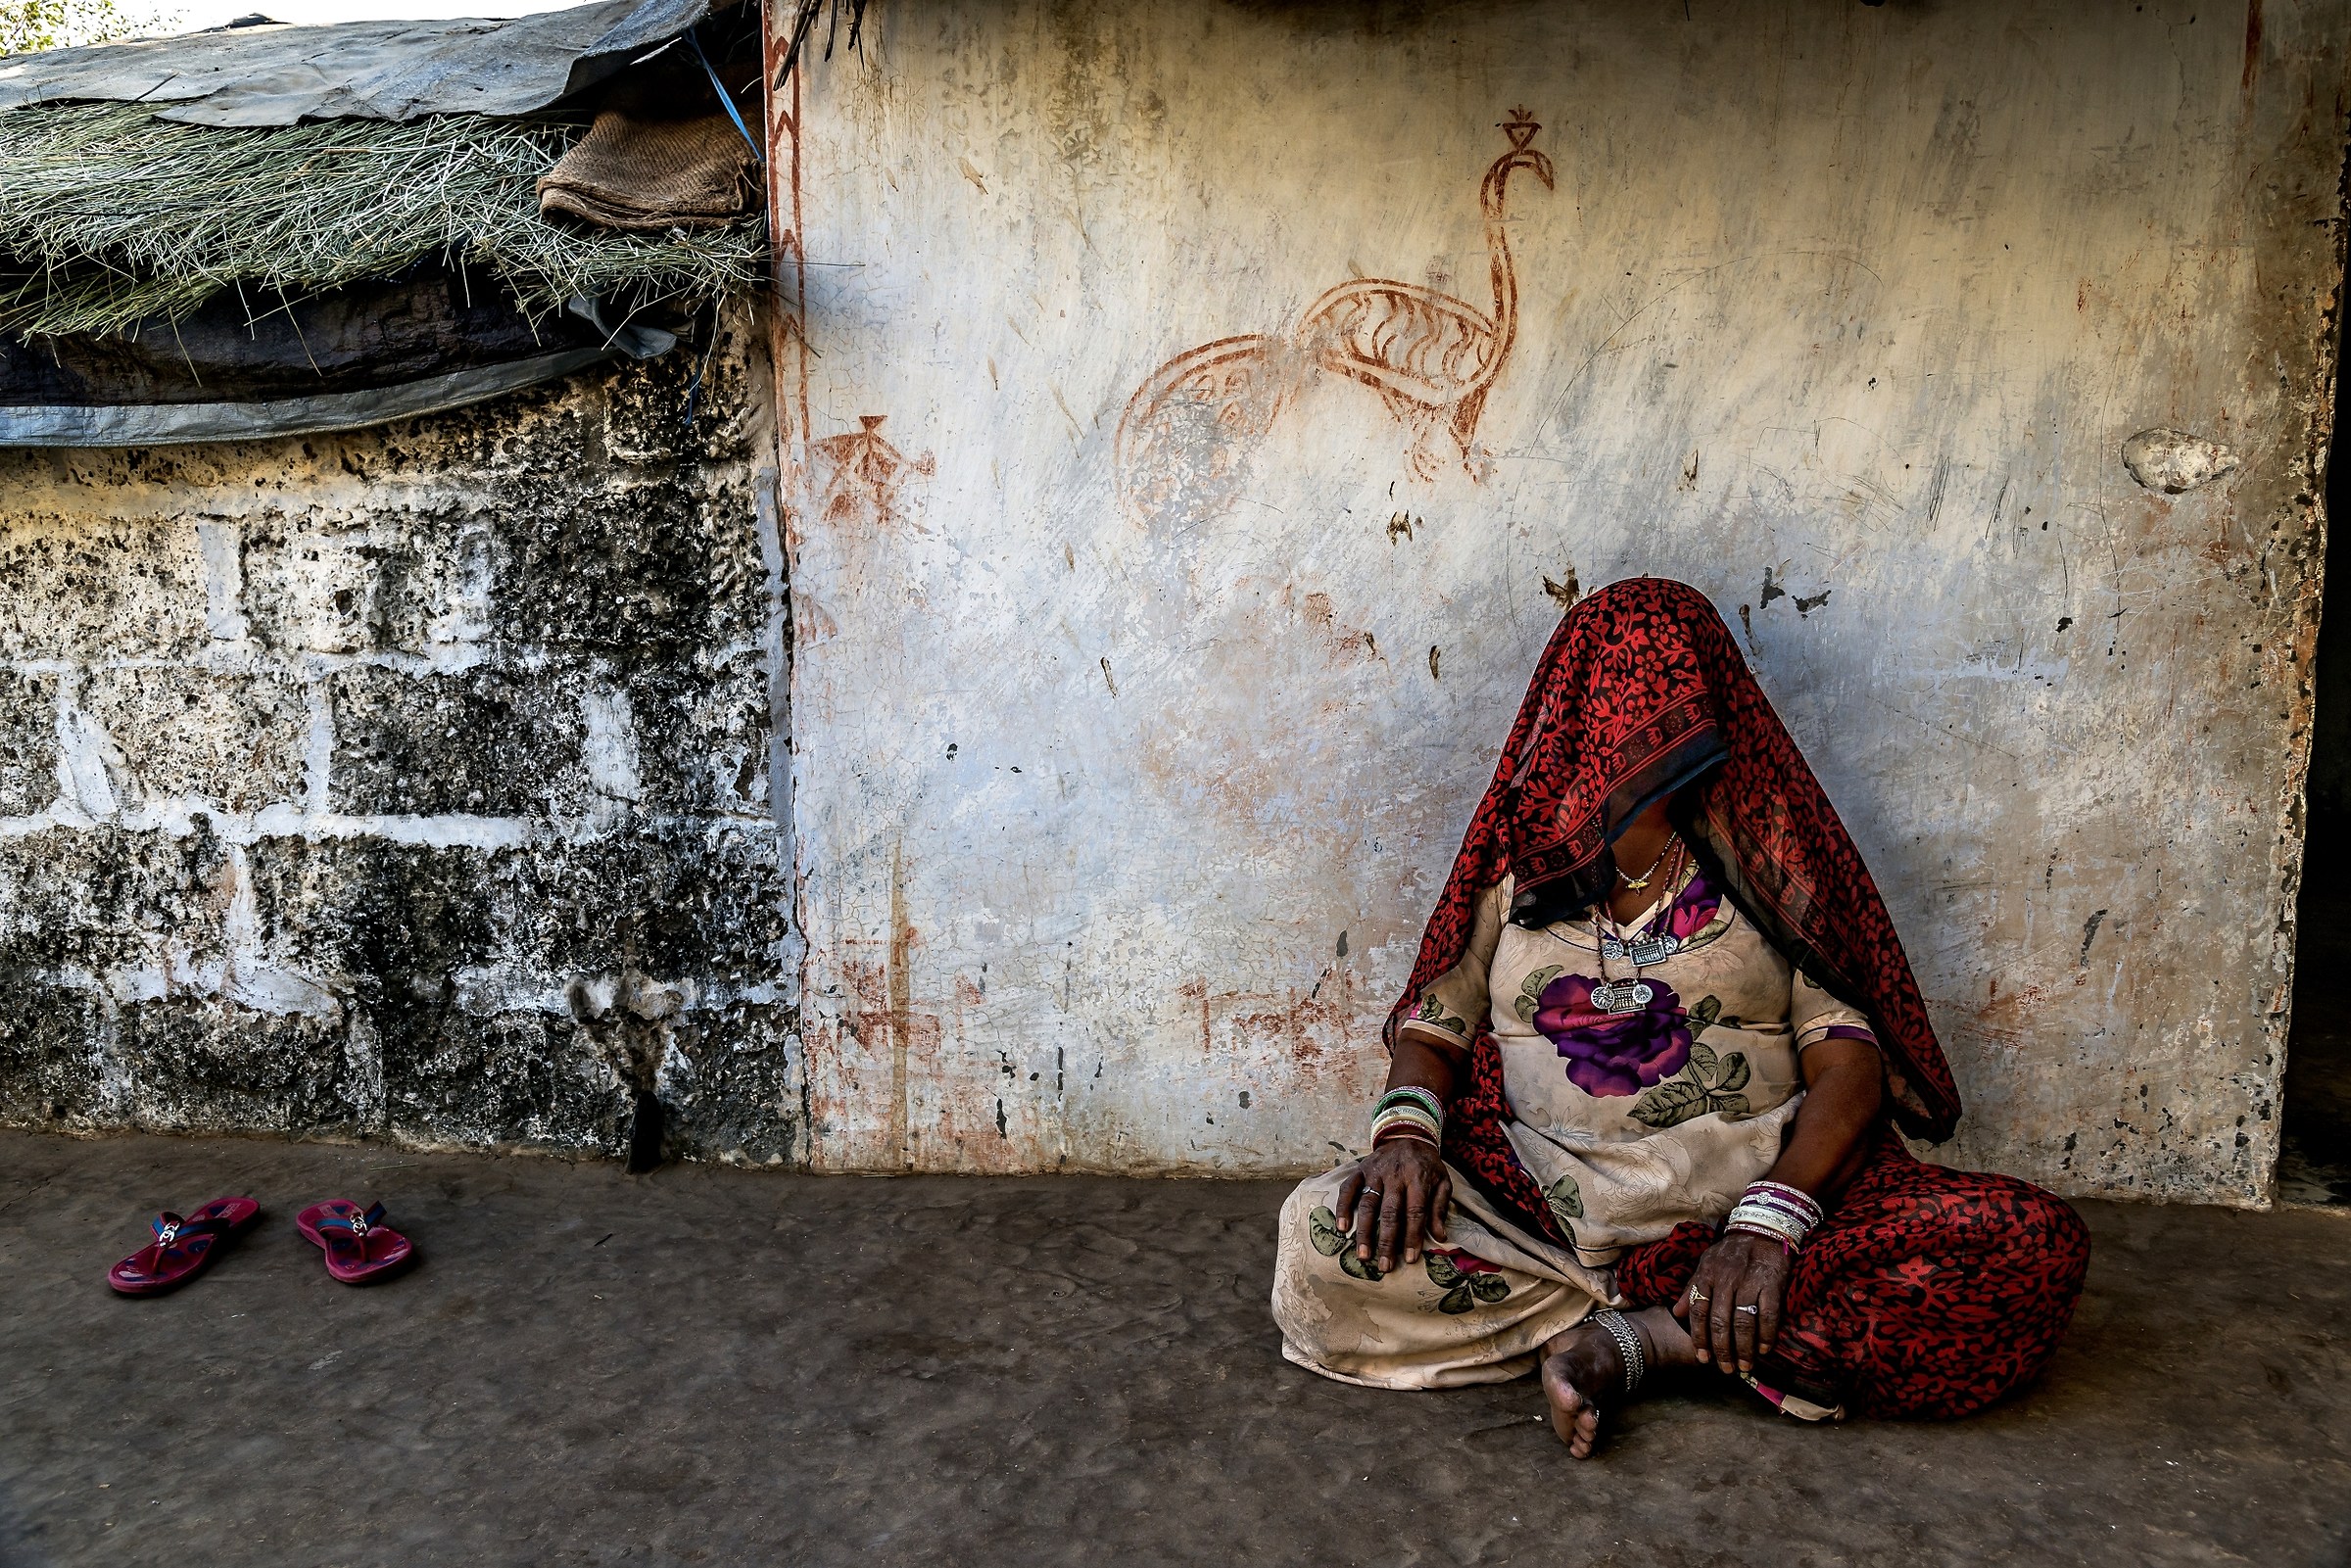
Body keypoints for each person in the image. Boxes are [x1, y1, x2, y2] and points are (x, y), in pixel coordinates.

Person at [1271, 578, 2088, 1456]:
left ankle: (1645, 1339)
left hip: (1759, 1208)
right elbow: (1436, 1027)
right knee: (1319, 1240)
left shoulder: (1772, 857)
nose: (1647, 733)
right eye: (1627, 709)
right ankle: (1689, 1324)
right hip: (1538, 1222)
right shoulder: (1517, 861)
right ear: (1581, 711)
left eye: (1669, 707)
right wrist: (1407, 1141)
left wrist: (1770, 1226)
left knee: (2029, 1243)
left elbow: (1849, 1065)